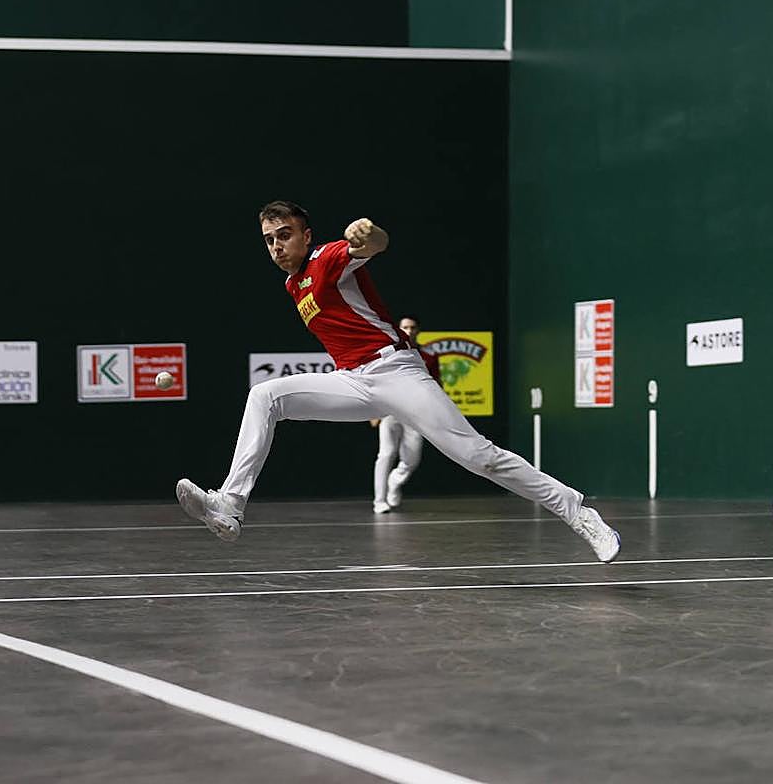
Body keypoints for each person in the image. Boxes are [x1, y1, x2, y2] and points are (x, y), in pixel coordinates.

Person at [176, 201, 620, 562]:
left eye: (284, 234)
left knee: (478, 457)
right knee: (266, 395)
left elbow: (373, 245)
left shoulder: (327, 259)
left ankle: (579, 513)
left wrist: (369, 236)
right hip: (354, 381)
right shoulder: (294, 285)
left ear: (306, 235)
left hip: (397, 372)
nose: (276, 246)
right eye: (269, 240)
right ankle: (230, 505)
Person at [368, 314, 440, 514]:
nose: (409, 330)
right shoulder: (388, 354)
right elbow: (376, 381)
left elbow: (435, 387)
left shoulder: (429, 356)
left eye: (412, 327)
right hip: (389, 411)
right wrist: (373, 410)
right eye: (405, 327)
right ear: (399, 330)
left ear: (418, 330)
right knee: (386, 454)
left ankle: (393, 482)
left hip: (415, 414)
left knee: (412, 459)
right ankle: (379, 500)